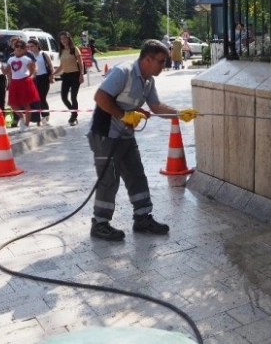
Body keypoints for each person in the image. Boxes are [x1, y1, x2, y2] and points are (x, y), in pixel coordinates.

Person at [86, 39, 182, 241]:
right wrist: (123, 115)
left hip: (125, 136)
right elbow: (100, 97)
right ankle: (100, 224)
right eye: (161, 61)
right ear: (147, 59)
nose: (164, 65)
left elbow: (155, 106)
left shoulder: (148, 81)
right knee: (109, 180)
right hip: (106, 135)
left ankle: (142, 218)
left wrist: (180, 113)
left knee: (136, 174)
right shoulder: (124, 72)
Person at [3, 36, 40, 127]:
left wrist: (31, 77)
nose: (19, 48)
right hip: (14, 82)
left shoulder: (27, 57)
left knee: (26, 104)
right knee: (13, 104)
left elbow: (34, 69)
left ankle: (27, 124)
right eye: (17, 46)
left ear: (24, 49)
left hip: (25, 81)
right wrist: (1, 68)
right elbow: (6, 71)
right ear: (14, 47)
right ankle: (21, 117)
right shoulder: (11, 58)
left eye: (21, 47)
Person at [53, 31, 84, 126]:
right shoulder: (61, 50)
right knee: (64, 97)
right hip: (66, 75)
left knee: (73, 97)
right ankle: (74, 113)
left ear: (69, 38)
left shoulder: (74, 49)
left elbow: (80, 62)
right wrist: (53, 74)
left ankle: (73, 117)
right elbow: (61, 66)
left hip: (75, 75)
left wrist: (81, 74)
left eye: (65, 38)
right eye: (61, 39)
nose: (63, 41)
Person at [27, 38, 55, 125]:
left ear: (37, 46)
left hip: (44, 78)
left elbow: (51, 66)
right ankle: (36, 118)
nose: (30, 48)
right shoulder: (28, 56)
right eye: (29, 46)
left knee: (42, 97)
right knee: (35, 99)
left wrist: (52, 76)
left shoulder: (43, 54)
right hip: (33, 78)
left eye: (32, 46)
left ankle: (45, 116)